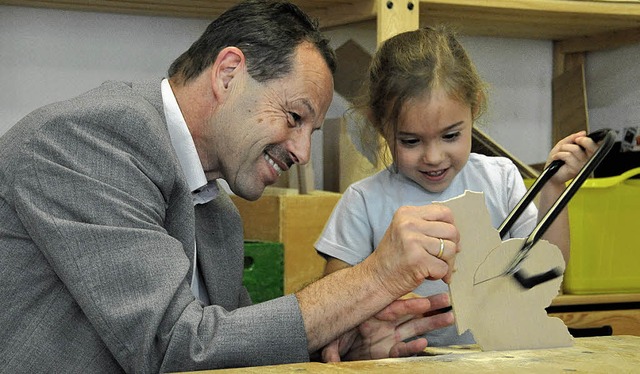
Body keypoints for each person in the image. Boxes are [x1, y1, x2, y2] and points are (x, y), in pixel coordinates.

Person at [0, 2, 461, 372]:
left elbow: (231, 343)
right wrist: (376, 276)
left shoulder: (217, 212)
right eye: (295, 117)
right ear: (228, 73)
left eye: (310, 133)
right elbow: (173, 348)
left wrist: (339, 342)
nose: (301, 152)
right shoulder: (92, 139)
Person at [316, 25, 598, 349]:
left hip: (493, 360)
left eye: (450, 136)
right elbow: (334, 307)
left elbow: (546, 275)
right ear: (380, 124)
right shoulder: (363, 201)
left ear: (474, 107)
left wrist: (553, 189)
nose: (434, 157)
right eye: (410, 141)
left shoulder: (501, 179)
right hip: (399, 363)